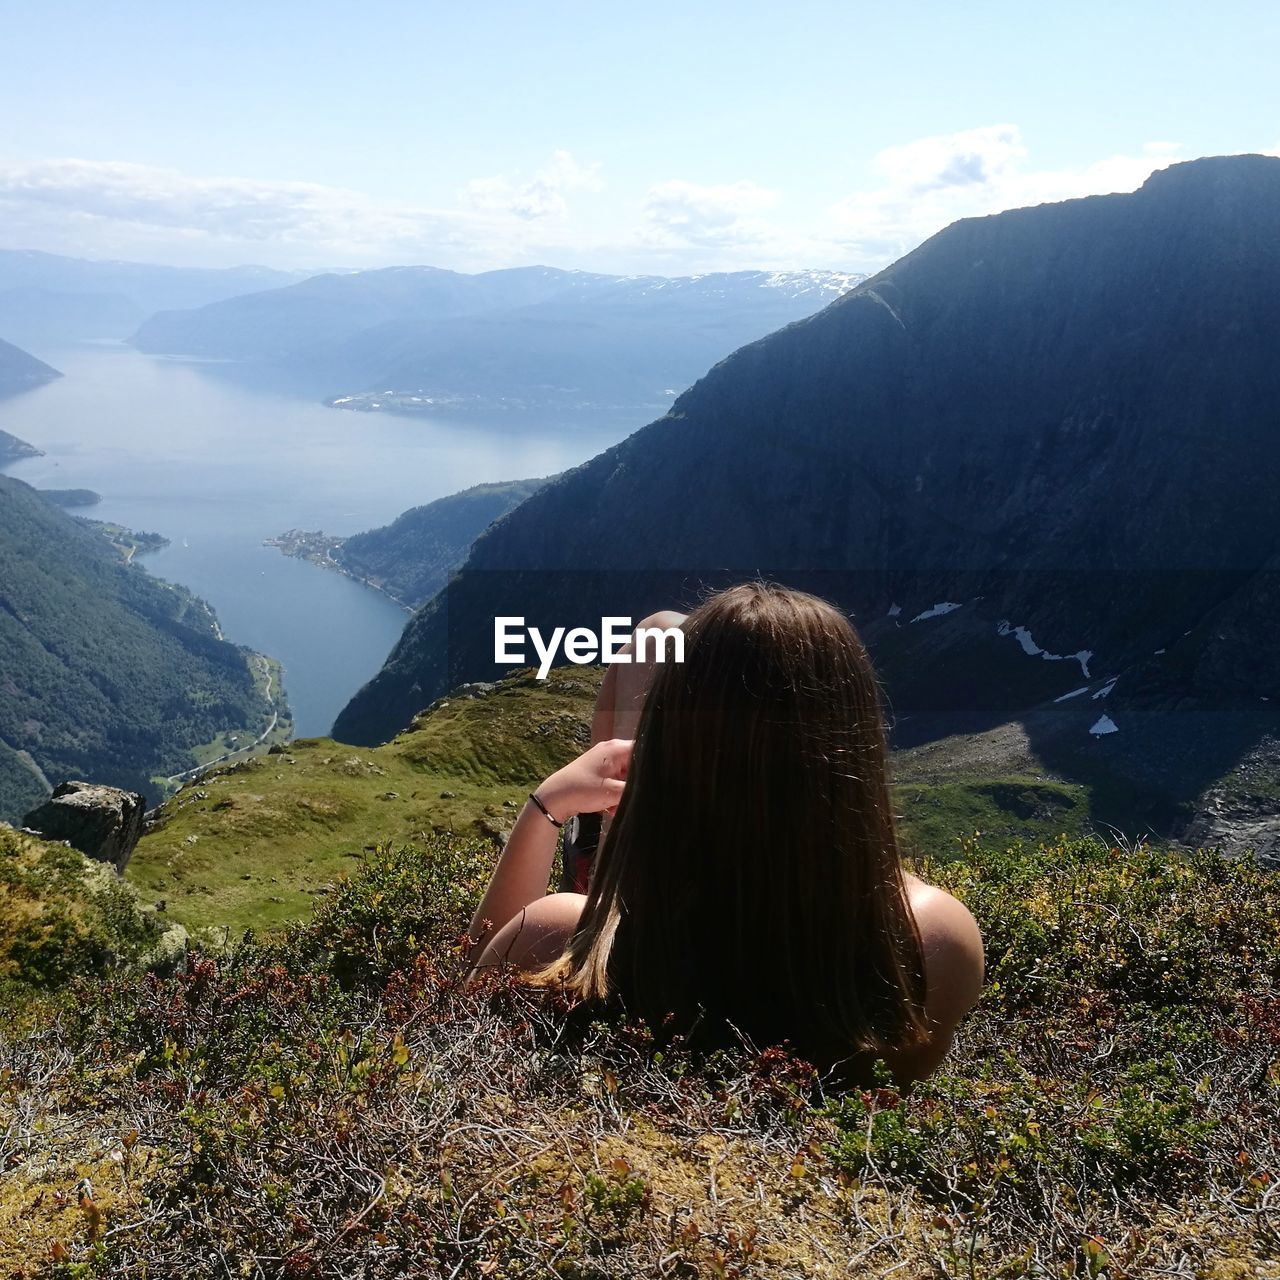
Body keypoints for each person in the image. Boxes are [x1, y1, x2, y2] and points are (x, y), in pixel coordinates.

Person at [467, 582, 984, 1084]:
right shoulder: (938, 939)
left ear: (666, 749)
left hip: (646, 925)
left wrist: (544, 807)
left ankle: (602, 846)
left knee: (654, 634)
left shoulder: (551, 933)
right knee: (660, 633)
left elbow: (462, 992)